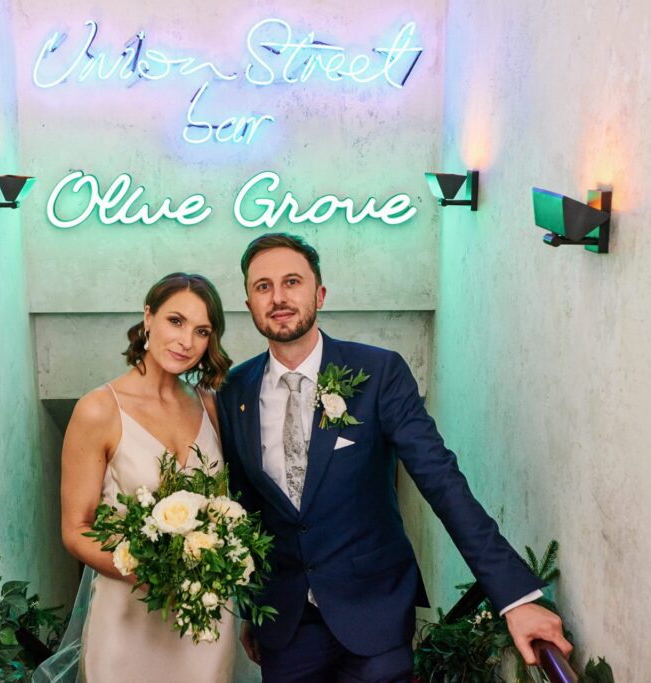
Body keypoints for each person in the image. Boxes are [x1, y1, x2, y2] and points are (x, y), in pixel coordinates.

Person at [216, 233, 573, 682]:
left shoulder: (378, 373)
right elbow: (247, 510)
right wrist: (253, 605)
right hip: (286, 628)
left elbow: (442, 482)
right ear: (248, 302)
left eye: (292, 281)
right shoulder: (234, 392)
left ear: (319, 294)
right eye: (262, 286)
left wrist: (515, 596)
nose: (279, 297)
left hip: (375, 613)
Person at [35, 273, 237, 683]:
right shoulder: (98, 410)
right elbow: (76, 530)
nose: (186, 341)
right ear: (148, 317)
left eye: (202, 331)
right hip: (128, 616)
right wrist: (154, 575)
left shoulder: (211, 407)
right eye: (175, 321)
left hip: (203, 621)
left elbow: (224, 509)